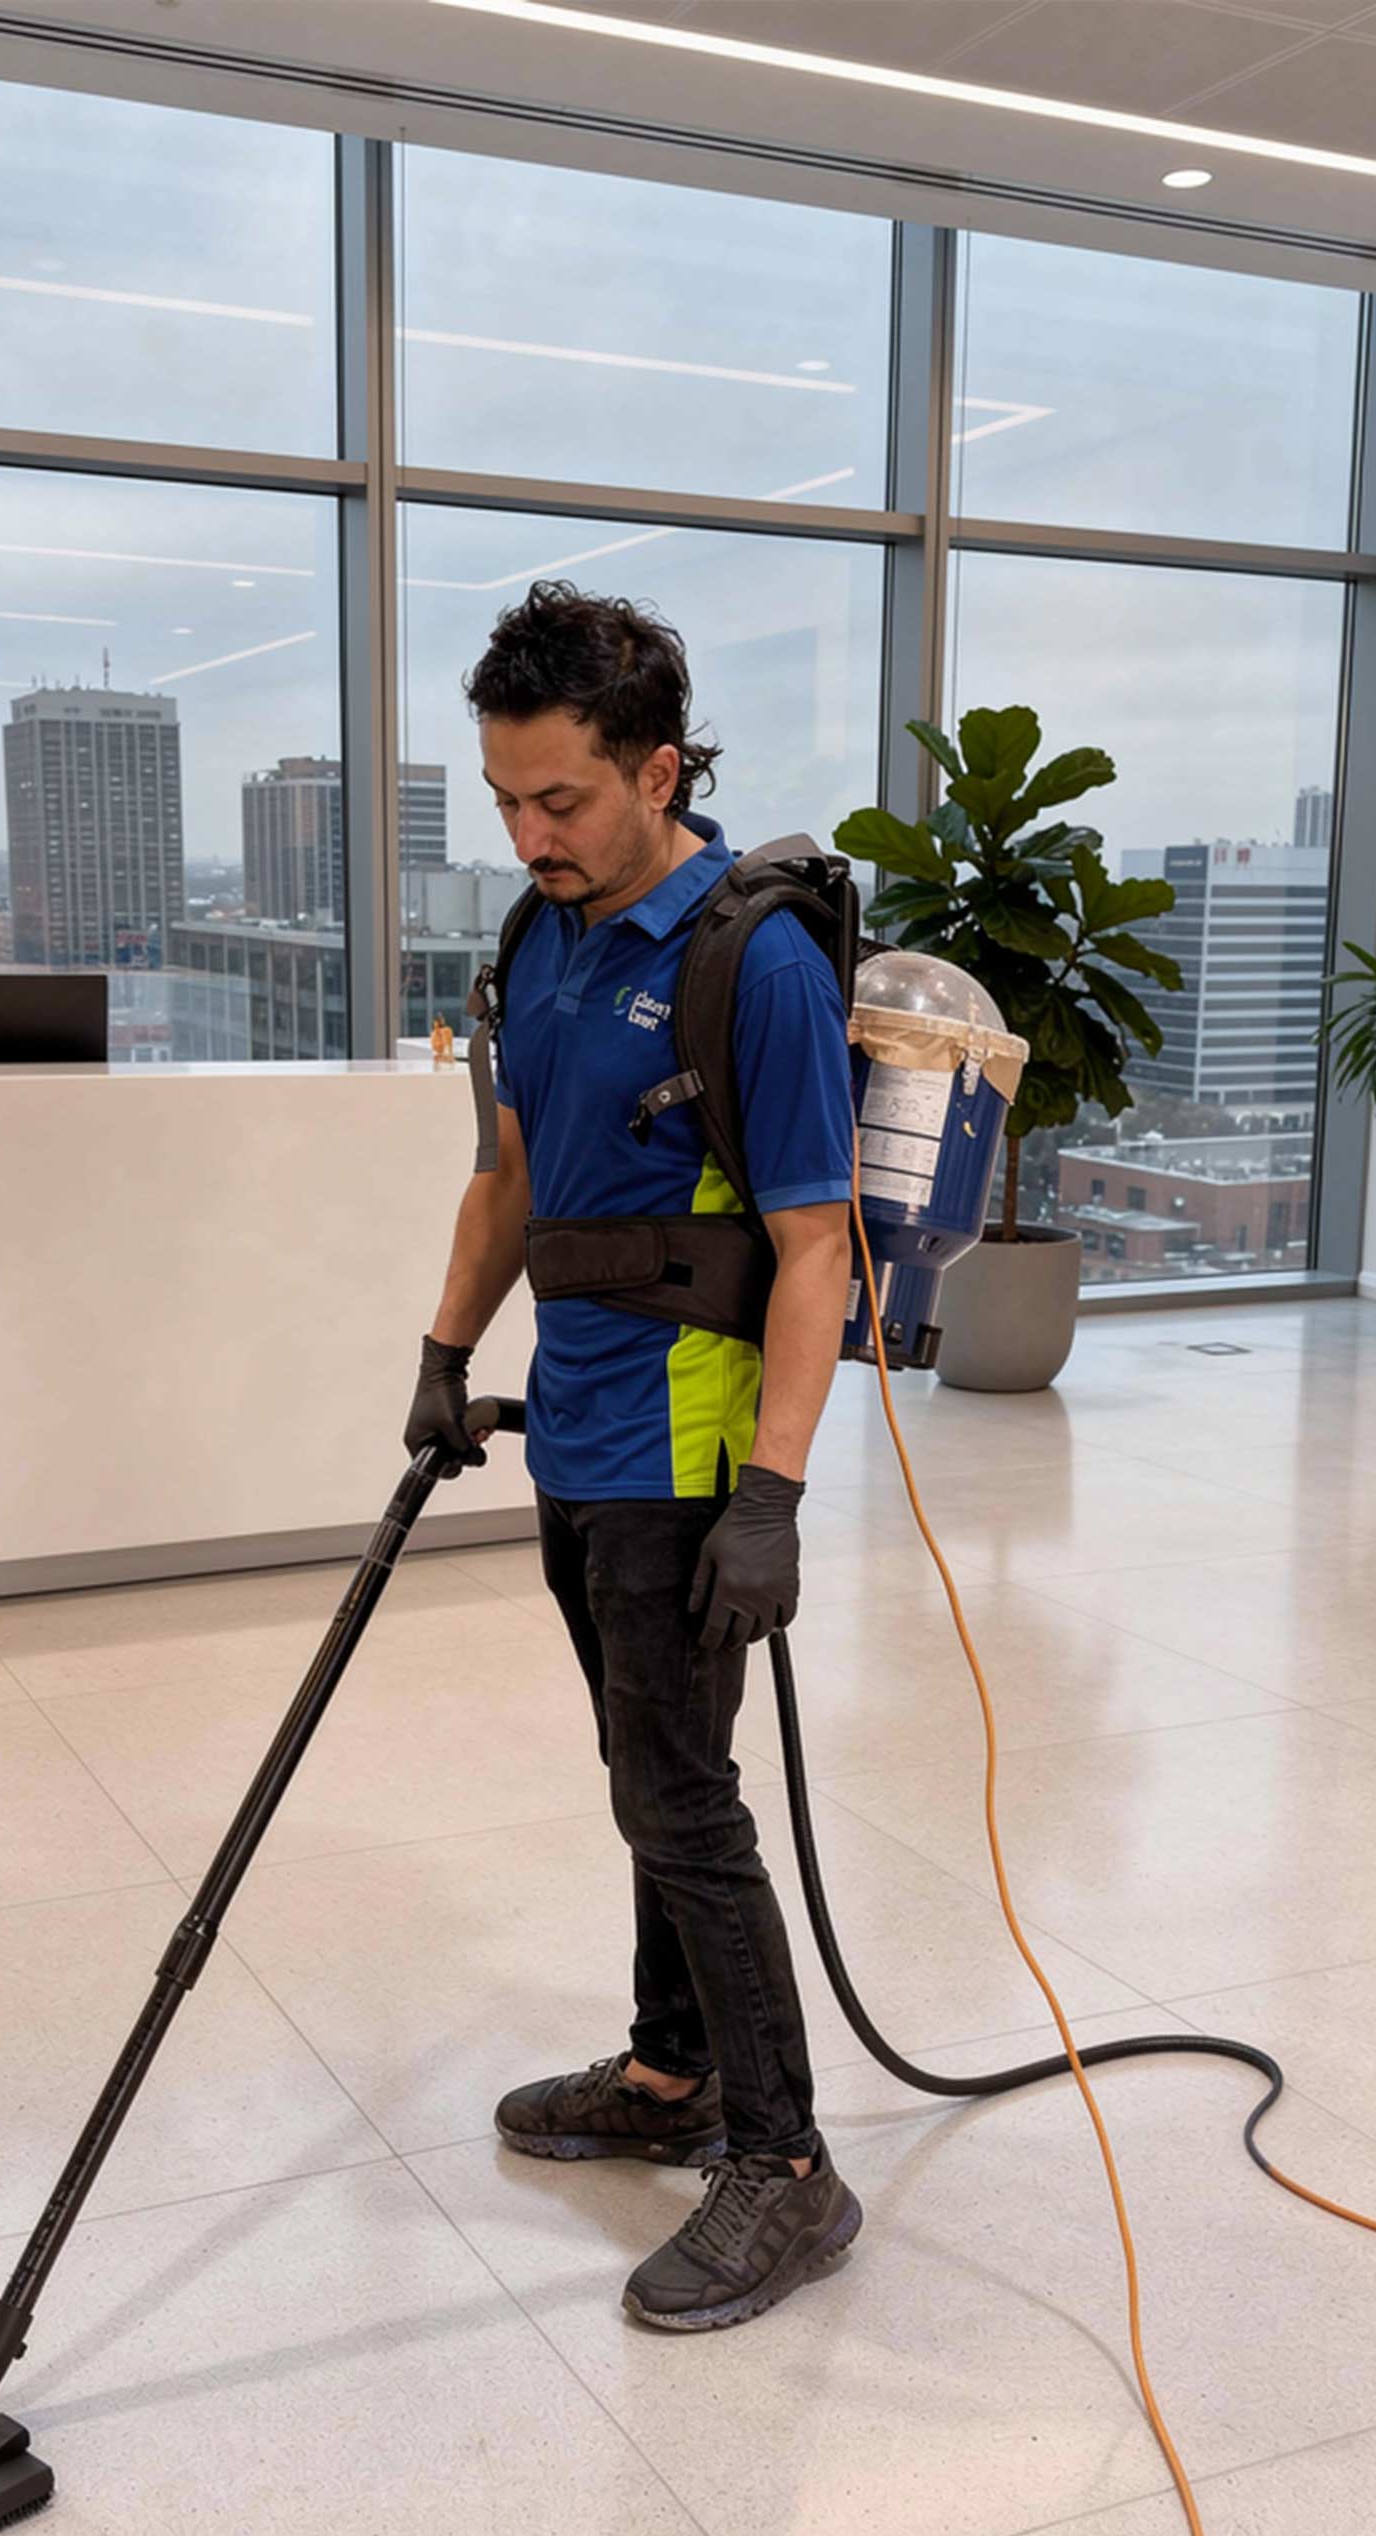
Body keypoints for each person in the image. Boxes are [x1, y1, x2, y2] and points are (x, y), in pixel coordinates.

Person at [404, 579, 862, 2332]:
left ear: (658, 769)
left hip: (692, 1449)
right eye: (508, 802)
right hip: (579, 1428)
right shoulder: (542, 941)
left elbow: (815, 1250)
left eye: (564, 801)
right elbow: (512, 1177)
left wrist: (773, 1499)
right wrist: (447, 1356)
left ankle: (790, 2167)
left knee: (681, 1798)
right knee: (645, 1784)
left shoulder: (755, 962)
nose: (530, 836)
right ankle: (676, 2080)